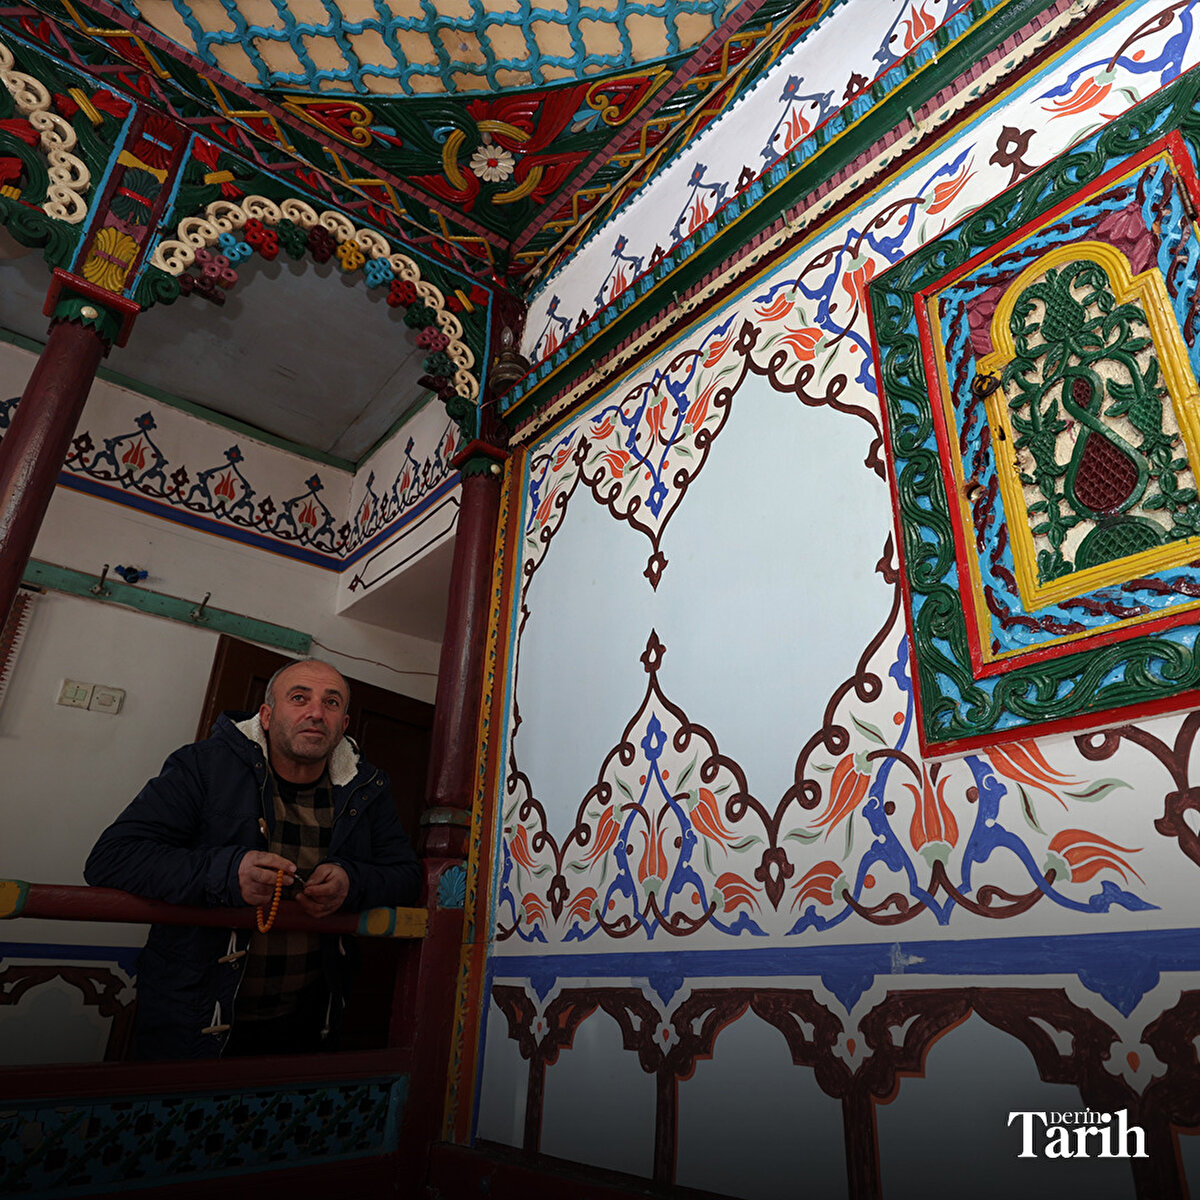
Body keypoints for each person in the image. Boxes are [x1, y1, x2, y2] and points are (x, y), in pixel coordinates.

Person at [85, 658, 421, 1060]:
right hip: (192, 1015)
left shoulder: (367, 788)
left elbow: (406, 875)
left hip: (311, 1023)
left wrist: (352, 882)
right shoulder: (202, 766)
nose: (316, 712)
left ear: (343, 724)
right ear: (266, 715)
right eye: (300, 698)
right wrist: (229, 874)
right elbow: (112, 857)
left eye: (331, 703)